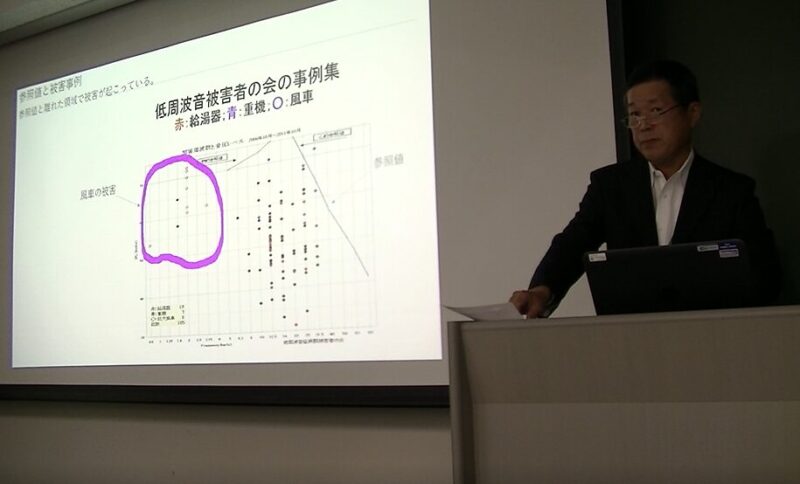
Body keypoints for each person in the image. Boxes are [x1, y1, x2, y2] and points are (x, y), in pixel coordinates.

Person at [509, 60, 780, 318]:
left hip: (714, 338)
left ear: (692, 113)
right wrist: (542, 290)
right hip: (631, 340)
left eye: (656, 111)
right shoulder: (610, 186)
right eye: (635, 115)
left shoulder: (731, 190)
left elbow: (765, 275)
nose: (644, 125)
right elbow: (572, 244)